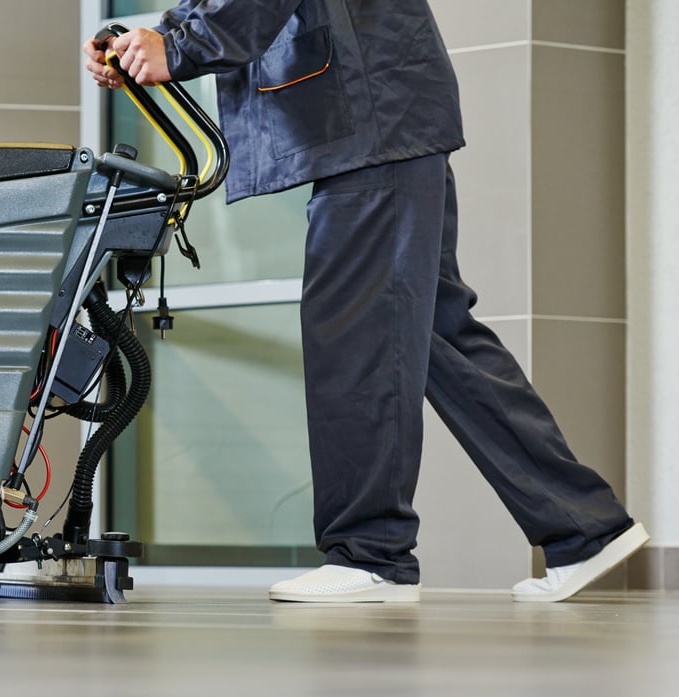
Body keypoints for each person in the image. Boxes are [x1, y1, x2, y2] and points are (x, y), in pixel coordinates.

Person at [84, 0, 647, 603]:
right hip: (379, 115)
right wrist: (155, 39)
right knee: (437, 339)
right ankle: (583, 526)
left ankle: (370, 553)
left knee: (351, 335)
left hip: (370, 116)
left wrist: (180, 45)